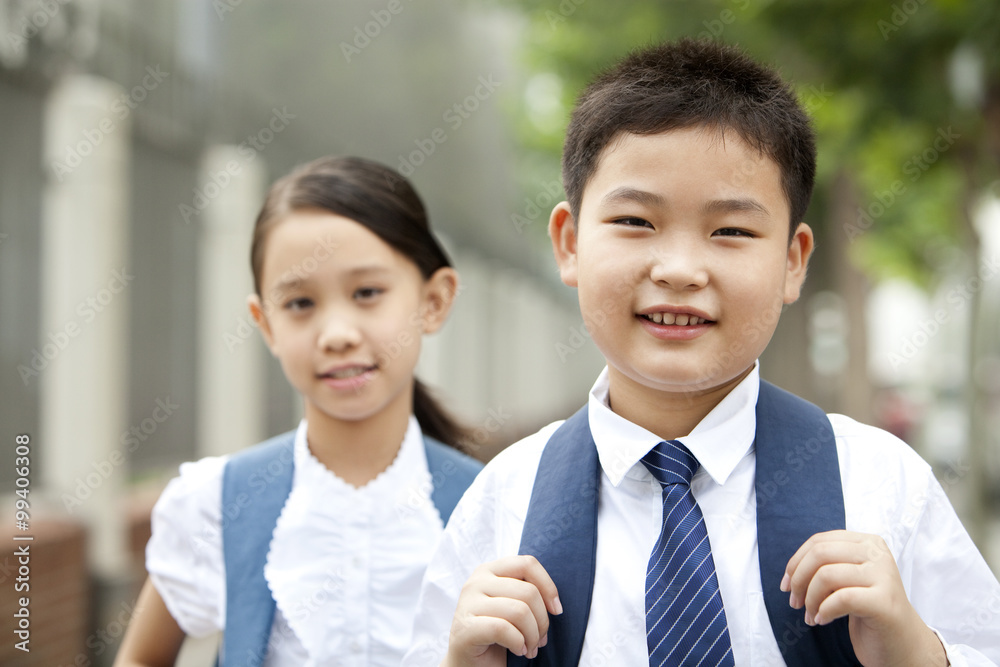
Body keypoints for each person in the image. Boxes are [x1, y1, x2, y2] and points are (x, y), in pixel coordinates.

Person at [403, 40, 1000, 666]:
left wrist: (916, 651)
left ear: (793, 261)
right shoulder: (504, 500)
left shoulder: (881, 486)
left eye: (732, 231)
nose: (682, 270)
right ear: (570, 242)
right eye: (635, 221)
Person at [115, 155, 482, 667]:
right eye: (300, 304)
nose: (337, 334)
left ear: (434, 301)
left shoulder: (494, 504)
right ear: (265, 324)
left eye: (367, 293)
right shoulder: (217, 505)